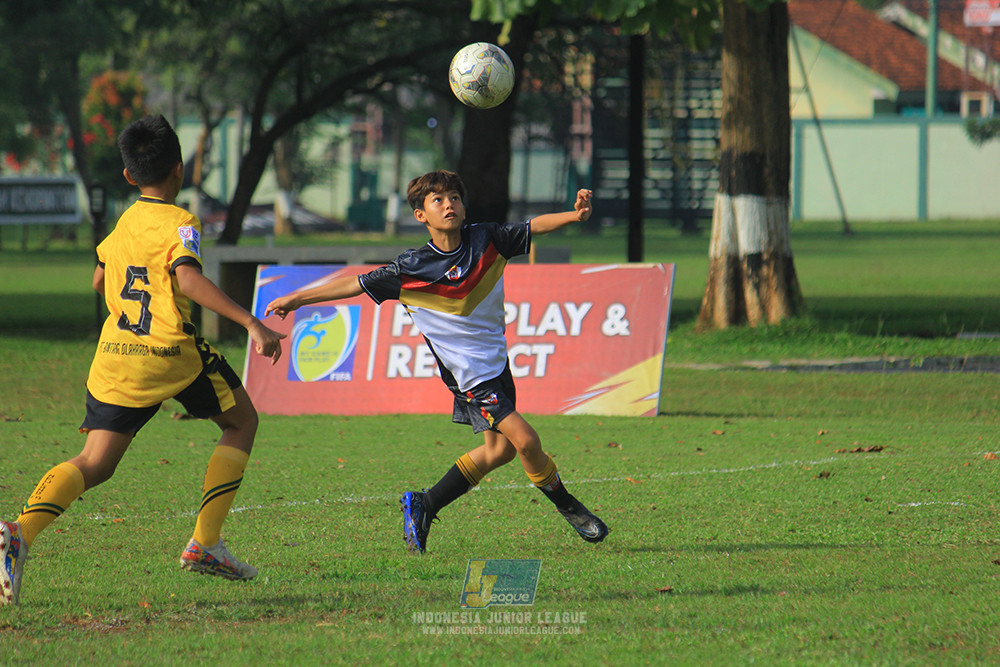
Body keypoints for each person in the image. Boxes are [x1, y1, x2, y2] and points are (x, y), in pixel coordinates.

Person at [0, 114, 285, 606]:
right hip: (171, 353)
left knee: (94, 462)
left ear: (130, 176)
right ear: (180, 169)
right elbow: (189, 279)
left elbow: (98, 279)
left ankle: (18, 533)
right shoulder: (181, 222)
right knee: (242, 421)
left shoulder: (124, 222)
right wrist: (251, 322)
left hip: (116, 356)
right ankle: (206, 543)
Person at [264, 169, 608, 553]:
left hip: (496, 363)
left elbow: (531, 227)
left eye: (455, 198)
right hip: (470, 378)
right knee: (526, 440)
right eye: (438, 200)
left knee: (500, 451)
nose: (450, 205)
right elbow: (354, 283)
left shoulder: (487, 239)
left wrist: (574, 216)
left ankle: (423, 505)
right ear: (420, 215)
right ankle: (571, 509)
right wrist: (296, 299)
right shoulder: (410, 268)